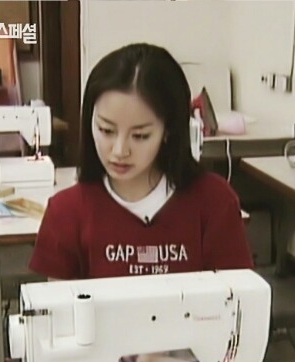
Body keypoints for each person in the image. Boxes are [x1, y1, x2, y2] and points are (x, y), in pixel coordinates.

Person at [30, 42, 253, 279]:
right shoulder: (66, 212)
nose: (119, 151)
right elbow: (58, 301)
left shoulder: (214, 201)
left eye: (140, 136)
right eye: (106, 130)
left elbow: (238, 295)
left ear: (168, 130)